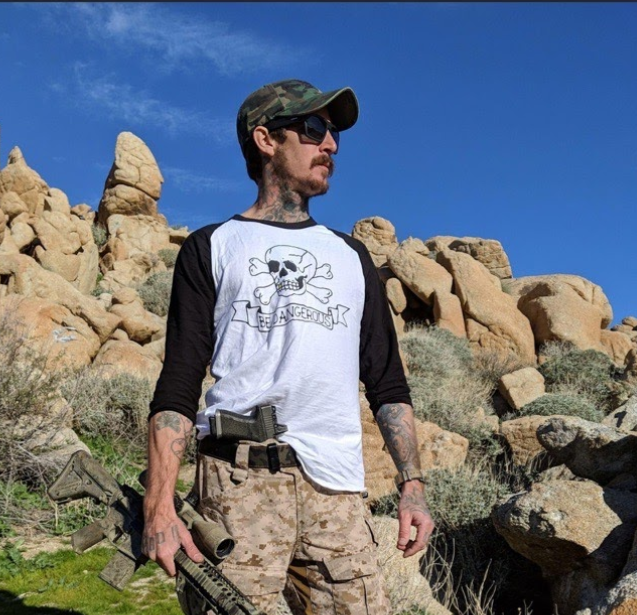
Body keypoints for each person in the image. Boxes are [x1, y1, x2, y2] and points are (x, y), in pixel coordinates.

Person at [143, 79, 434, 614]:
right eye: (315, 128)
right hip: (238, 486)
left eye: (335, 134)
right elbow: (179, 383)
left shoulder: (352, 256)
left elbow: (387, 382)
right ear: (265, 139)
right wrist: (159, 506)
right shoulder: (211, 247)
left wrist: (411, 485)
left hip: (338, 494)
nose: (331, 145)